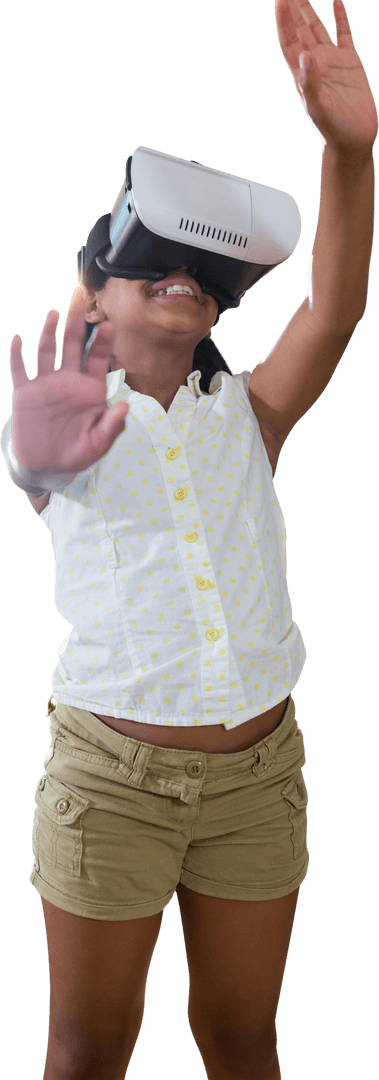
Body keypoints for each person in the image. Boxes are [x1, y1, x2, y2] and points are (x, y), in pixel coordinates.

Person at [2, 2, 377, 1078]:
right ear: (95, 292)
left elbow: (333, 310)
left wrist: (348, 155)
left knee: (243, 1034)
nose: (185, 278)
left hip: (258, 776)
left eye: (205, 276)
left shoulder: (250, 416)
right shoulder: (67, 428)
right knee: (90, 1044)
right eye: (152, 264)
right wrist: (36, 449)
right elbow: (36, 460)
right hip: (110, 781)